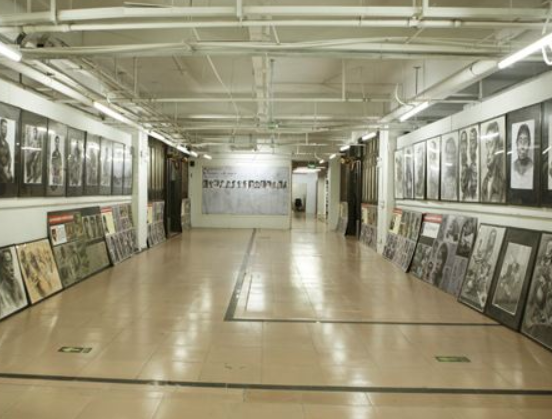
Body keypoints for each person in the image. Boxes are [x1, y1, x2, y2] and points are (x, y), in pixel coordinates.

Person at [481, 121, 505, 202]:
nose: (487, 151)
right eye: (486, 145)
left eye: (490, 144)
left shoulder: (502, 182)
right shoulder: (484, 182)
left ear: (497, 148)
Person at [0, 248, 25, 317]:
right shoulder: (1, 292)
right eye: (7, 264)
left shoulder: (16, 282)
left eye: (11, 263)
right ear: (1, 268)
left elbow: (23, 301)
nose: (12, 268)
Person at [511, 123, 534, 189]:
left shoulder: (532, 168)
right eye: (520, 141)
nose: (522, 146)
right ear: (516, 143)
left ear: (529, 144)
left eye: (525, 141)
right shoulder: (512, 167)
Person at [0, 118, 13, 183]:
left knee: (11, 179)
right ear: (0, 127)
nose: (5, 129)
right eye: (4, 126)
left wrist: (8, 169)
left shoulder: (7, 144)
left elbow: (10, 158)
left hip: (6, 171)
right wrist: (3, 170)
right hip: (1, 172)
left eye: (6, 127)